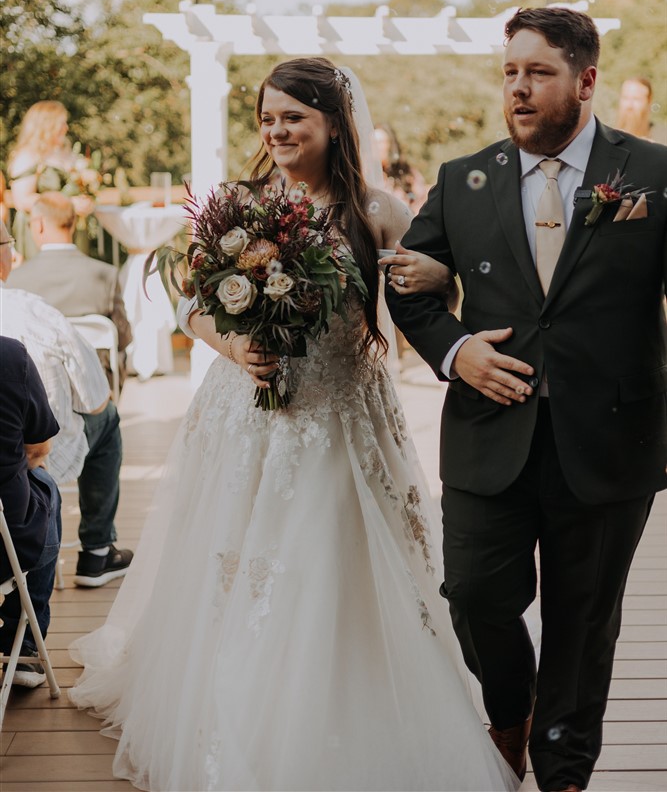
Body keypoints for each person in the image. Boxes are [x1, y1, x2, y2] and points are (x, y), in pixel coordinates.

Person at [68, 58, 518, 792]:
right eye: (267, 117)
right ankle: (229, 698)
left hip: (342, 410)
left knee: (335, 556)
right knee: (236, 557)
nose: (276, 131)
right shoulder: (236, 202)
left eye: (293, 117)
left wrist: (441, 278)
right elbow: (192, 302)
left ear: (334, 123)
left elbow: (427, 286)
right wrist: (232, 343)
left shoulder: (377, 211)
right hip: (247, 407)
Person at [387, 8, 667, 792]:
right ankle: (507, 713)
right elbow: (405, 283)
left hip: (610, 442)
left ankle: (563, 772)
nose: (517, 87)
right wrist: (455, 348)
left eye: (536, 72)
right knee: (474, 595)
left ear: (584, 81)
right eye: (509, 72)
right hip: (486, 435)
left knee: (581, 625)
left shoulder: (651, 174)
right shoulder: (461, 179)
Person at [0, 220, 134, 589]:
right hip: (27, 469)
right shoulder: (32, 313)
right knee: (107, 419)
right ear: (5, 257)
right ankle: (96, 551)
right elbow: (93, 399)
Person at [6, 191, 133, 393]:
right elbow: (124, 337)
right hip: (94, 390)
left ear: (38, 225)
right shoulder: (106, 275)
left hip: (38, 394)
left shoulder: (15, 280)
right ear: (73, 224)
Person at [0, 336, 61, 689]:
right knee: (45, 486)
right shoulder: (9, 356)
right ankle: (21, 646)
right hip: (3, 548)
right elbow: (40, 448)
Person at [7, 100, 95, 261]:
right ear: (46, 126)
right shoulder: (27, 156)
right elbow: (22, 200)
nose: (66, 128)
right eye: (61, 124)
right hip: (40, 232)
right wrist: (68, 204)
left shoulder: (64, 154)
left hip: (68, 231)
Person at [373, 122, 429, 211]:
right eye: (373, 142)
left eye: (380, 142)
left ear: (390, 144)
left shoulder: (409, 174)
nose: (376, 147)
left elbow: (422, 206)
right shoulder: (367, 176)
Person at [615, 76, 666, 144]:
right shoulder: (607, 134)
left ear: (649, 101)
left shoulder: (662, 138)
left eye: (636, 99)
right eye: (625, 98)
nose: (629, 105)